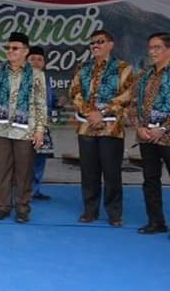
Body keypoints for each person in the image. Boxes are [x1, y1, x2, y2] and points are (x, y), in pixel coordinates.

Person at [0, 32, 46, 224]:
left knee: (24, 171)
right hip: (0, 128)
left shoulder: (36, 74)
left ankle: (22, 208)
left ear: (25, 51)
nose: (10, 51)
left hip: (25, 130)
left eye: (15, 48)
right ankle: (3, 207)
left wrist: (40, 129)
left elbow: (41, 103)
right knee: (2, 169)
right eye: (8, 48)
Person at [70, 30, 133, 227]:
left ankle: (114, 213)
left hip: (111, 129)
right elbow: (75, 92)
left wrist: (102, 113)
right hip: (86, 128)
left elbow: (126, 96)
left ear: (111, 44)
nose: (95, 46)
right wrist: (91, 113)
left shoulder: (123, 68)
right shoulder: (83, 68)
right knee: (89, 172)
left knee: (112, 172)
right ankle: (90, 210)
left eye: (100, 42)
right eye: (92, 43)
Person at [129, 32, 170, 236]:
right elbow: (133, 103)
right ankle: (156, 222)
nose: (152, 51)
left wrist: (163, 128)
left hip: (167, 136)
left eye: (157, 47)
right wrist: (138, 126)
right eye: (150, 47)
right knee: (150, 179)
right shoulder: (144, 74)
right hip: (145, 136)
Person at [27, 46, 57, 201]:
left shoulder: (47, 80)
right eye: (32, 59)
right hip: (26, 126)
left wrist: (58, 103)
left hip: (43, 127)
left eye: (39, 59)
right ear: (26, 61)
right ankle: (23, 191)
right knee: (25, 160)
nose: (36, 62)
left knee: (40, 159)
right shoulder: (22, 79)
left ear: (44, 63)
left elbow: (51, 101)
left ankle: (35, 190)